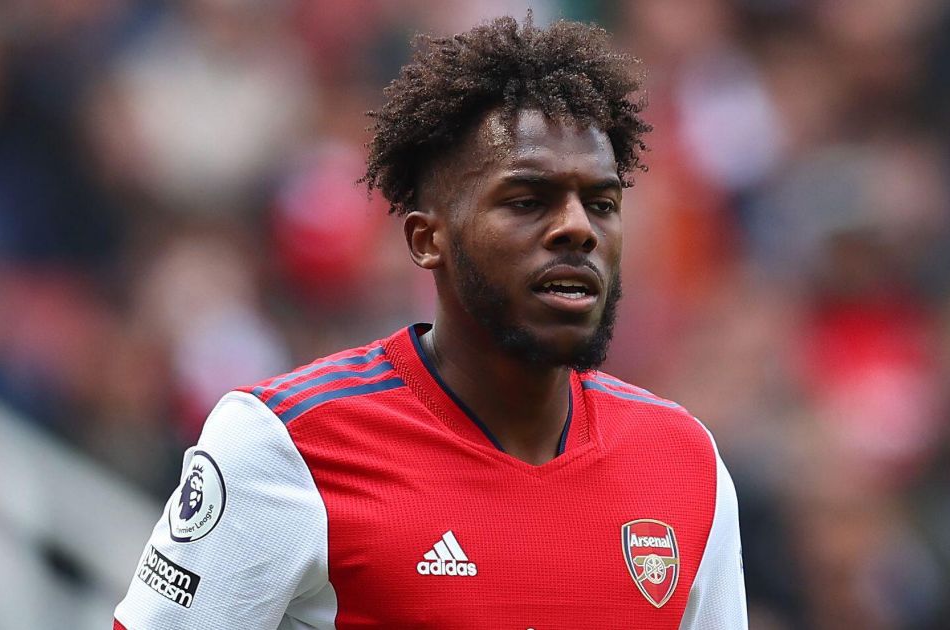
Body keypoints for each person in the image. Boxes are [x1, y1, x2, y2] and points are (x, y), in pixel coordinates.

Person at [114, 14, 746, 629]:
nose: (578, 228)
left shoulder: (684, 464)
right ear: (427, 239)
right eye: (528, 201)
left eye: (602, 203)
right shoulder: (287, 445)